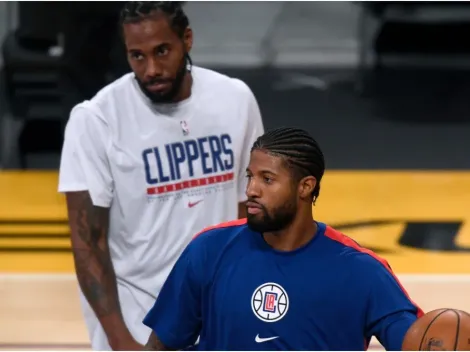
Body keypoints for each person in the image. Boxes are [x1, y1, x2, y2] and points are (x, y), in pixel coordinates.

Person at [57, 1, 264, 350]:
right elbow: (87, 243)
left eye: (162, 51)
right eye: (137, 56)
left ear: (187, 39)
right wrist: (120, 340)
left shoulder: (236, 100)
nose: (151, 68)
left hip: (217, 315)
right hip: (137, 318)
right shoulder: (96, 119)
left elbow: (250, 209)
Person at [142, 127, 424, 351]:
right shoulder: (209, 250)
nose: (251, 189)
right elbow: (159, 345)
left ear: (305, 187)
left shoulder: (362, 271)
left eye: (267, 179)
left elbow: (418, 341)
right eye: (250, 176)